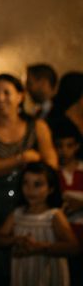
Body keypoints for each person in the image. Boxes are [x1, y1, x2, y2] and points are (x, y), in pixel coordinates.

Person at [0, 73, 58, 286]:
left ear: (20, 96)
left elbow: (50, 166)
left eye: (6, 93)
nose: (0, 98)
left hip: (30, 204)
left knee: (33, 270)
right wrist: (23, 158)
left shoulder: (37, 126)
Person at [0, 162, 79, 286]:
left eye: (37, 184)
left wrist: (39, 248)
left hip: (47, 276)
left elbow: (74, 247)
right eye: (25, 183)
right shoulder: (17, 214)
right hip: (23, 274)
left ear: (51, 188)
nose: (30, 189)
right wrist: (16, 240)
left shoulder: (53, 215)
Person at [53, 121, 83, 284]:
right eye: (59, 146)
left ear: (77, 146)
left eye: (69, 146)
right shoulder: (52, 173)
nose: (64, 151)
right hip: (61, 238)